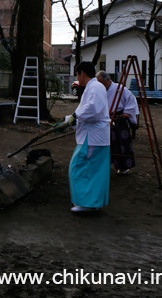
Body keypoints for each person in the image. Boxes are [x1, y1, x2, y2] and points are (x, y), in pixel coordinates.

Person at [55, 62, 111, 213]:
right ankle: (93, 202)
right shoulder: (93, 88)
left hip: (92, 136)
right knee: (94, 171)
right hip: (95, 136)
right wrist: (67, 122)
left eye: (77, 74)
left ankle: (87, 203)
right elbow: (85, 111)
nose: (77, 78)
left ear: (82, 73)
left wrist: (72, 118)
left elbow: (92, 109)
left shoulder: (95, 87)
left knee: (78, 167)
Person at [96, 70, 139, 175]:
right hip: (106, 119)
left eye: (101, 83)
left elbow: (131, 100)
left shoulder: (120, 89)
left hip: (119, 119)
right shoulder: (99, 90)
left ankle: (123, 167)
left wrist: (127, 112)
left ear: (108, 80)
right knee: (106, 143)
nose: (100, 85)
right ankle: (106, 166)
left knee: (122, 143)